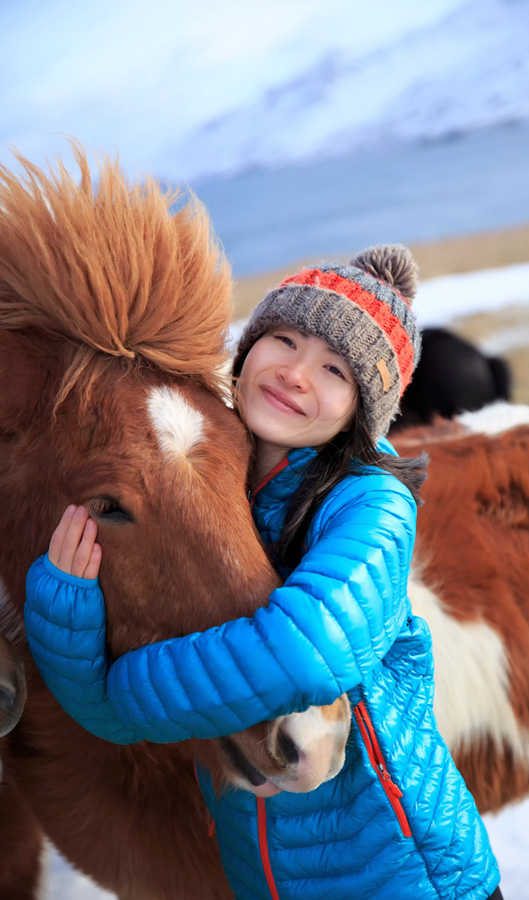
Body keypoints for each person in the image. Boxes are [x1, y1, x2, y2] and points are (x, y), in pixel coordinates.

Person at [25, 246, 503, 900]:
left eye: (335, 368)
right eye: (283, 338)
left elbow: (305, 653)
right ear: (246, 349)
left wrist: (117, 693)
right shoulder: (209, 486)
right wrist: (65, 602)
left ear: (363, 410)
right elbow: (100, 718)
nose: (297, 373)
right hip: (265, 881)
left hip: (407, 875)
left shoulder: (373, 505)